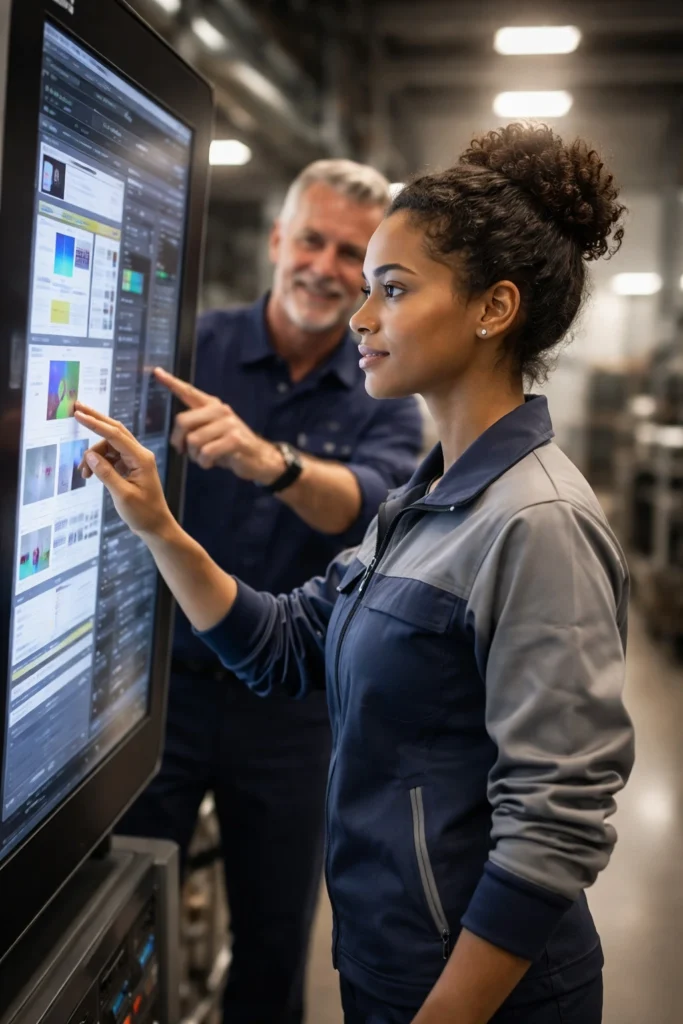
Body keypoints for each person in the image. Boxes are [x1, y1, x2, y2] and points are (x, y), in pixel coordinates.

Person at [78, 123, 635, 1024]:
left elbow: (553, 825)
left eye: (390, 289)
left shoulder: (537, 523)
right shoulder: (431, 495)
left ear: (493, 309)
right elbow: (290, 641)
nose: (359, 316)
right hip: (393, 964)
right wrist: (158, 524)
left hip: (477, 996)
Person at [116, 159, 423, 1024]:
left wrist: (268, 460)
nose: (325, 267)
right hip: (157, 693)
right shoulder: (190, 346)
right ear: (279, 240)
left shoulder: (384, 386)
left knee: (274, 941)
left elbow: (368, 501)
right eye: (313, 240)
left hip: (292, 715)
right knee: (116, 911)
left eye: (351, 254)